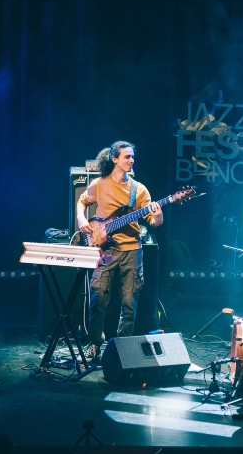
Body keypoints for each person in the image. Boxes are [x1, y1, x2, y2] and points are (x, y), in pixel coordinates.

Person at [76, 141, 163, 362]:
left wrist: (158, 216)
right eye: (127, 157)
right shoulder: (99, 184)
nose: (131, 160)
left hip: (132, 251)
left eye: (133, 156)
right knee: (98, 299)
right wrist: (81, 219)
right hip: (105, 251)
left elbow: (153, 222)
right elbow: (82, 202)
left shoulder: (139, 189)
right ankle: (95, 343)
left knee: (129, 304)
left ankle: (122, 350)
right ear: (114, 159)